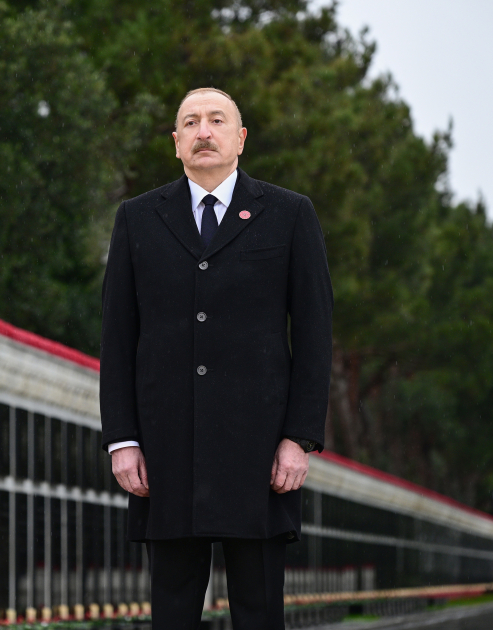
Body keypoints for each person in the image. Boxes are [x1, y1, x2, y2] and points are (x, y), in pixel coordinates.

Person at [100, 87, 333, 629]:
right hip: (166, 450)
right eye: (191, 122)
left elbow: (315, 335)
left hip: (260, 453)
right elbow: (117, 336)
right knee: (172, 615)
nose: (203, 132)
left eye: (217, 120)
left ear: (241, 138)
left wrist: (298, 438)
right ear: (175, 142)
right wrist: (122, 439)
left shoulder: (290, 214)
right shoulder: (137, 218)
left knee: (259, 612)